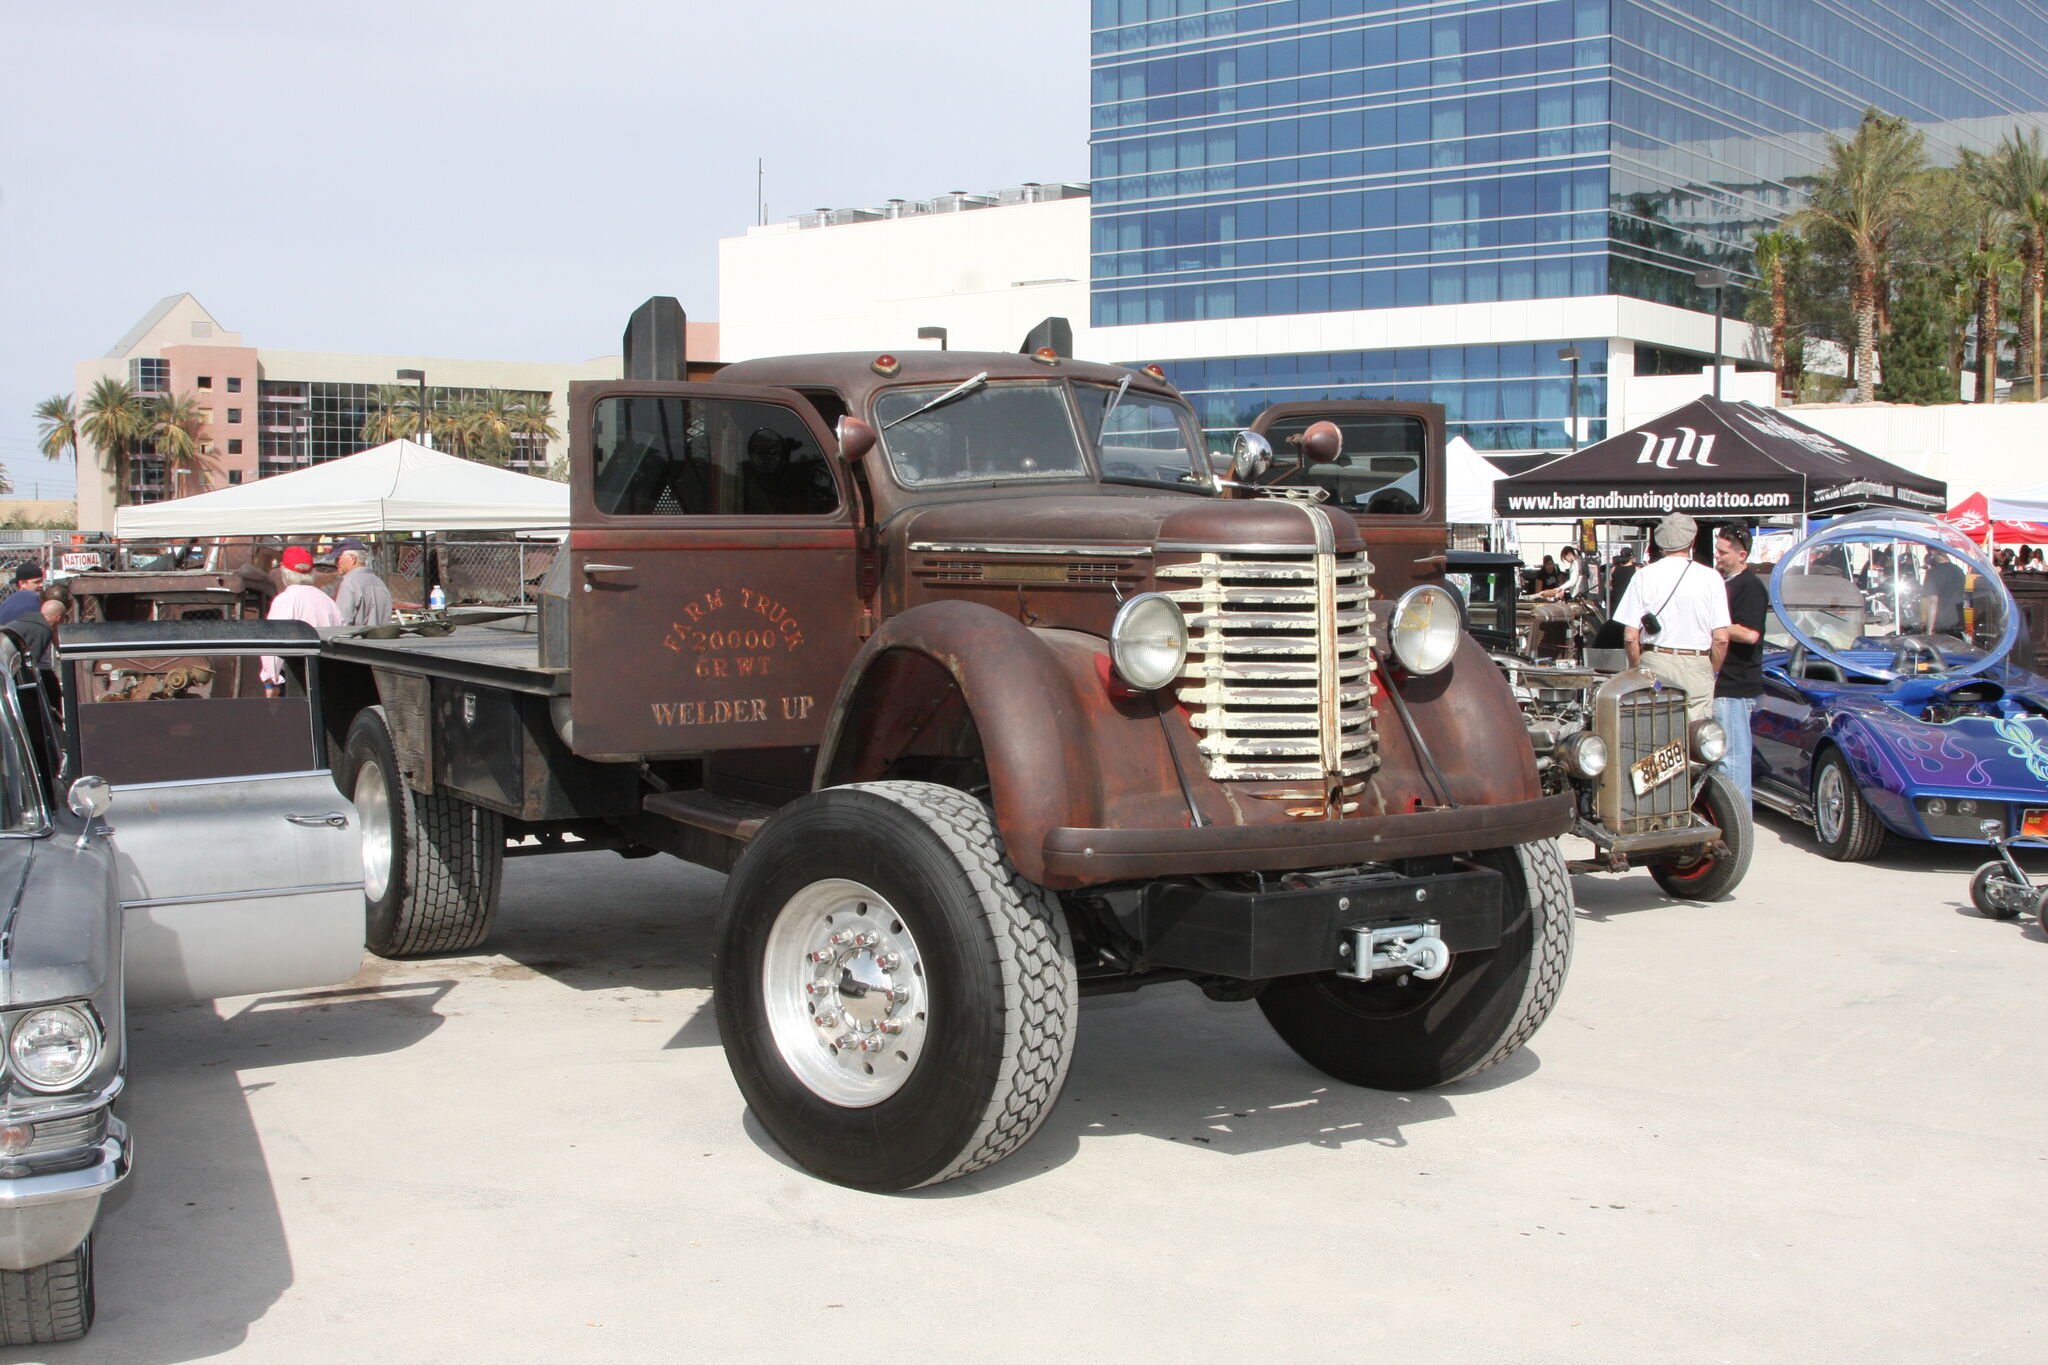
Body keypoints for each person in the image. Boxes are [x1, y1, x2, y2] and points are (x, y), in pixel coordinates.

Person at [1615, 512, 1729, 723]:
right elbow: (1721, 638)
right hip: (1697, 662)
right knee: (1697, 736)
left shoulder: (1643, 576)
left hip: (1655, 661)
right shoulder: (1711, 578)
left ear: (1661, 543)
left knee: (1656, 731)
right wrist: (1711, 671)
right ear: (1692, 540)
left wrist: (1637, 666)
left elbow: (1631, 636)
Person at [1713, 524, 1767, 803]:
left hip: (1736, 687)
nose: (1717, 556)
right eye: (1717, 550)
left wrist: (1716, 625)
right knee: (1721, 758)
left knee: (1732, 762)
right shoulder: (1727, 583)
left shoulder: (1750, 587)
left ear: (1741, 555)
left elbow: (1750, 634)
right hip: (1722, 685)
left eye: (1722, 552)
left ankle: (1739, 827)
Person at [263, 547, 345, 694]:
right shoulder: (327, 601)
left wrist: (271, 681)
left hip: (295, 679)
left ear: (283, 570)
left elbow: (273, 642)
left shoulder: (285, 600)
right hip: (327, 675)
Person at [331, 538, 393, 628]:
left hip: (354, 640)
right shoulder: (379, 582)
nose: (336, 564)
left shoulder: (349, 582)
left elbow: (342, 622)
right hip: (380, 639)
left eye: (337, 559)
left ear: (352, 559)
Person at [1607, 545, 1638, 611]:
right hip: (1630, 601)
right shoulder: (1637, 569)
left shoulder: (1613, 569)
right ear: (1631, 556)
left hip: (1616, 600)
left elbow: (1608, 585)